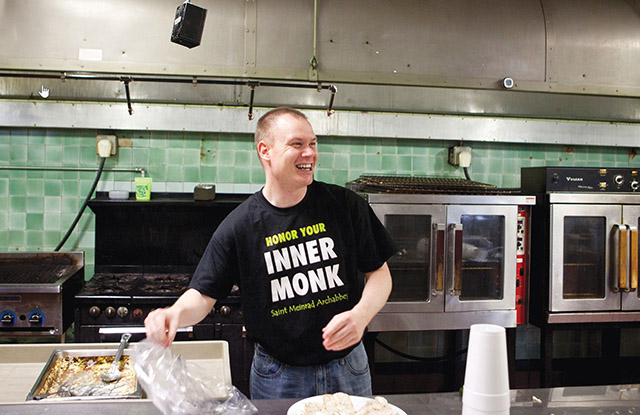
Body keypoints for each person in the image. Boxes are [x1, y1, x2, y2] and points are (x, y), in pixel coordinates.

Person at [144, 106, 398, 399]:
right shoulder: (240, 226)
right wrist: (174, 313)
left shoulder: (345, 206)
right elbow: (203, 294)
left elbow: (379, 274)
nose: (310, 153)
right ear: (265, 150)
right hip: (279, 376)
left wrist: (361, 315)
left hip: (348, 366)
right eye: (297, 144)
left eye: (313, 144)